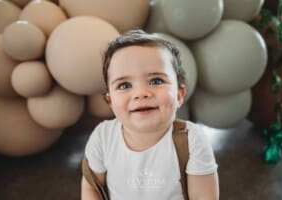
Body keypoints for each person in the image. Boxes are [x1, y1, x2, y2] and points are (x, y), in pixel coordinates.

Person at [81, 29, 219, 200]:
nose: (141, 93)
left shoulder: (191, 140)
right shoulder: (103, 137)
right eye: (124, 85)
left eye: (156, 81)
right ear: (110, 100)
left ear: (179, 94)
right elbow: (92, 187)